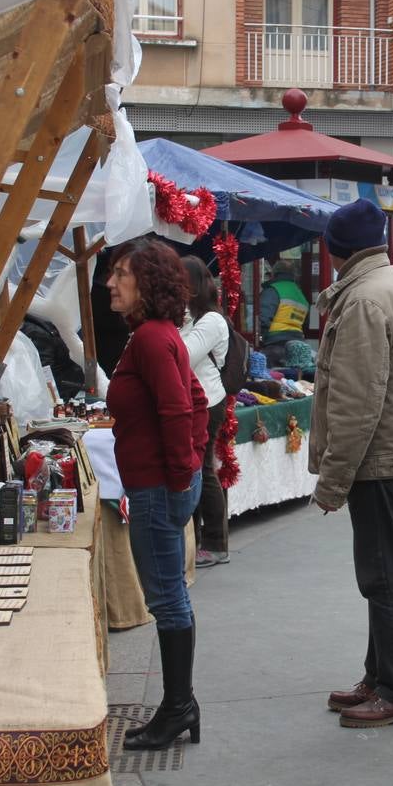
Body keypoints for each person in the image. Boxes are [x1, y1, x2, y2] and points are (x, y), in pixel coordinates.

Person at [309, 199, 393, 729]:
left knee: (382, 578)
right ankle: (381, 677)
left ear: (337, 251)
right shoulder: (390, 287)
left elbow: (357, 402)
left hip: (379, 462)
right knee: (385, 573)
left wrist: (333, 481)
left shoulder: (364, 300)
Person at [105, 239, 210, 751]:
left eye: (121, 274)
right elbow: (193, 401)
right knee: (172, 597)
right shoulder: (156, 335)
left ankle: (177, 707)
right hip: (157, 484)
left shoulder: (151, 337)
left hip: (153, 488)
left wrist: (177, 478)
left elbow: (178, 408)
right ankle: (179, 705)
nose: (111, 282)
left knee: (166, 599)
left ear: (146, 284)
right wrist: (189, 467)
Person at [179, 256, 231, 569]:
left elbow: (184, 355)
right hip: (190, 402)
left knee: (203, 470)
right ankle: (195, 540)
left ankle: (215, 543)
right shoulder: (189, 318)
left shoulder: (211, 321)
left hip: (208, 402)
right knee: (194, 469)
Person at [257, 258, 309, 367]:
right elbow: (304, 323)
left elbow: (263, 319)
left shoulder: (272, 290)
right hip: (296, 346)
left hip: (275, 345)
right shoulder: (300, 295)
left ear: (274, 274)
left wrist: (261, 340)